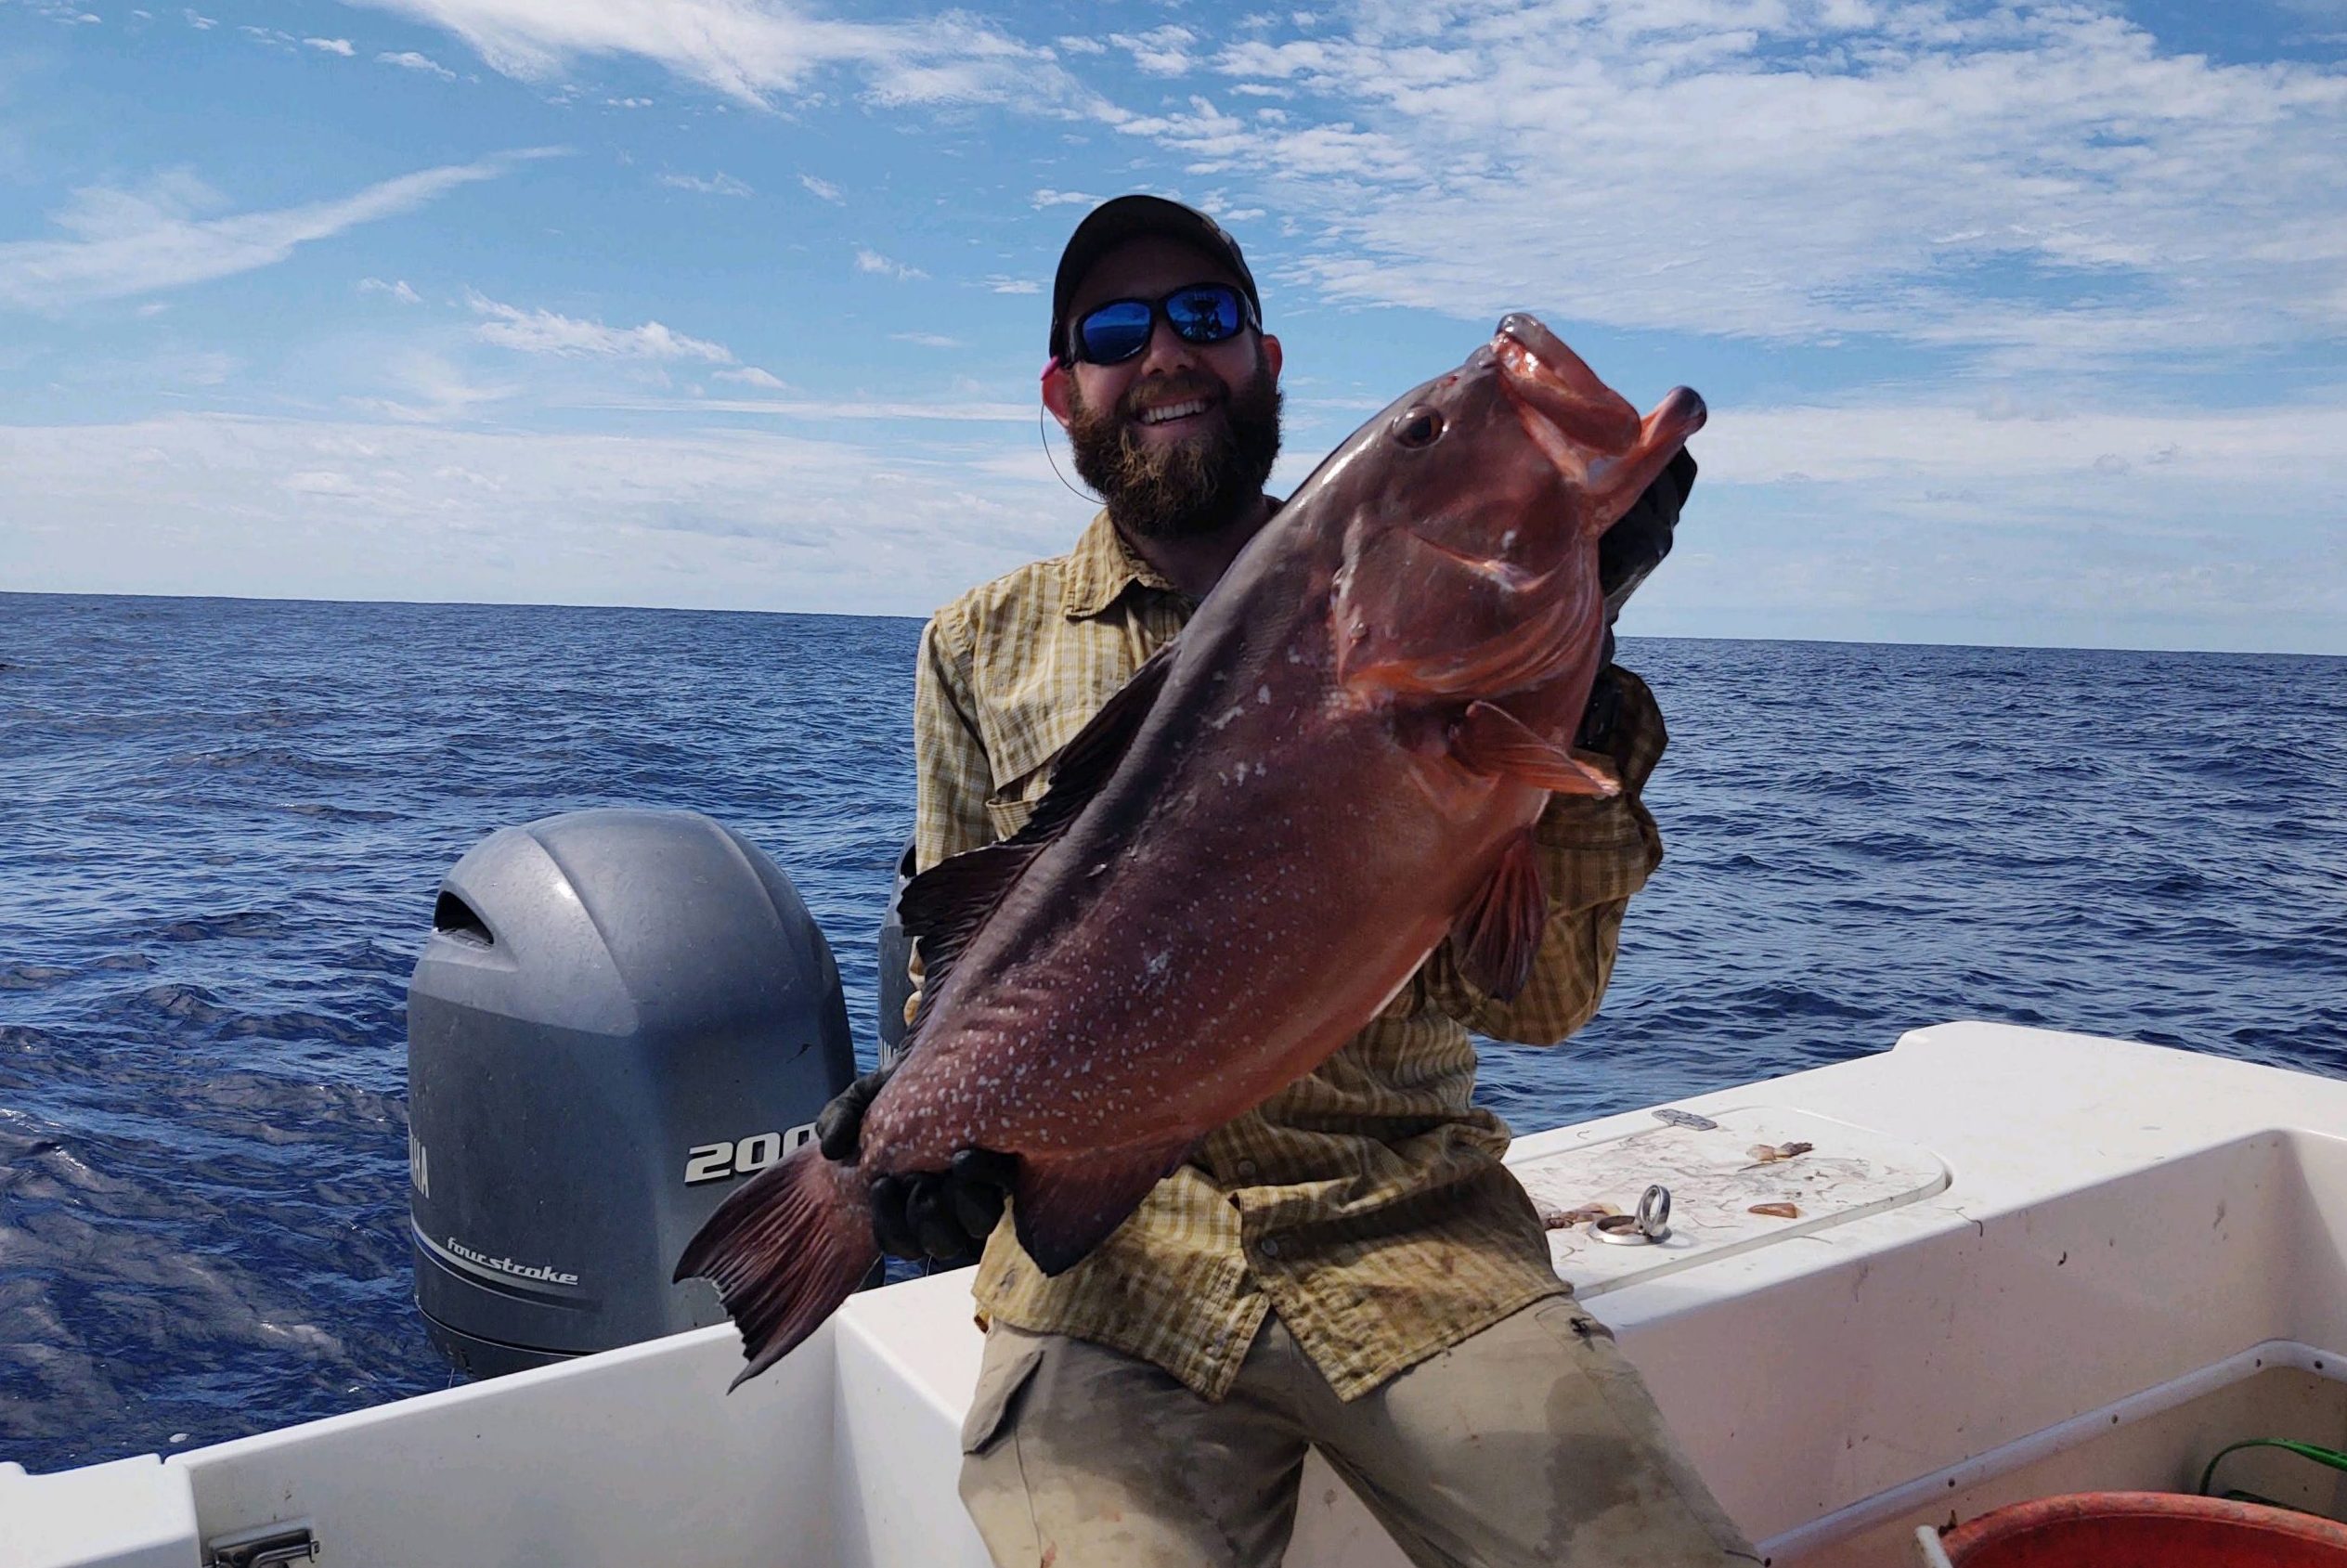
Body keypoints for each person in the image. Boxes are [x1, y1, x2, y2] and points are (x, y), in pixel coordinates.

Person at [817, 195, 1754, 1568]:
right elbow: (957, 961)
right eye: (1115, 331)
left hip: (1413, 1243)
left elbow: (1540, 1001)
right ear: (1061, 390)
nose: (1165, 356)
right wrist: (908, 1135)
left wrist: (1578, 657)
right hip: (1108, 1290)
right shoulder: (977, 644)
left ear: (1265, 359)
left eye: (1203, 318)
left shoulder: (1481, 652)